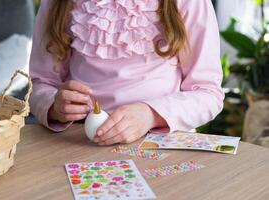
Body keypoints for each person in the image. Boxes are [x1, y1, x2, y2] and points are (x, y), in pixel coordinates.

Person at [29, 0, 224, 146]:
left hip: (161, 143)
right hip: (79, 142)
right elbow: (39, 83)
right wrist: (54, 106)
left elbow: (208, 93)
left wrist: (151, 114)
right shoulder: (58, 3)